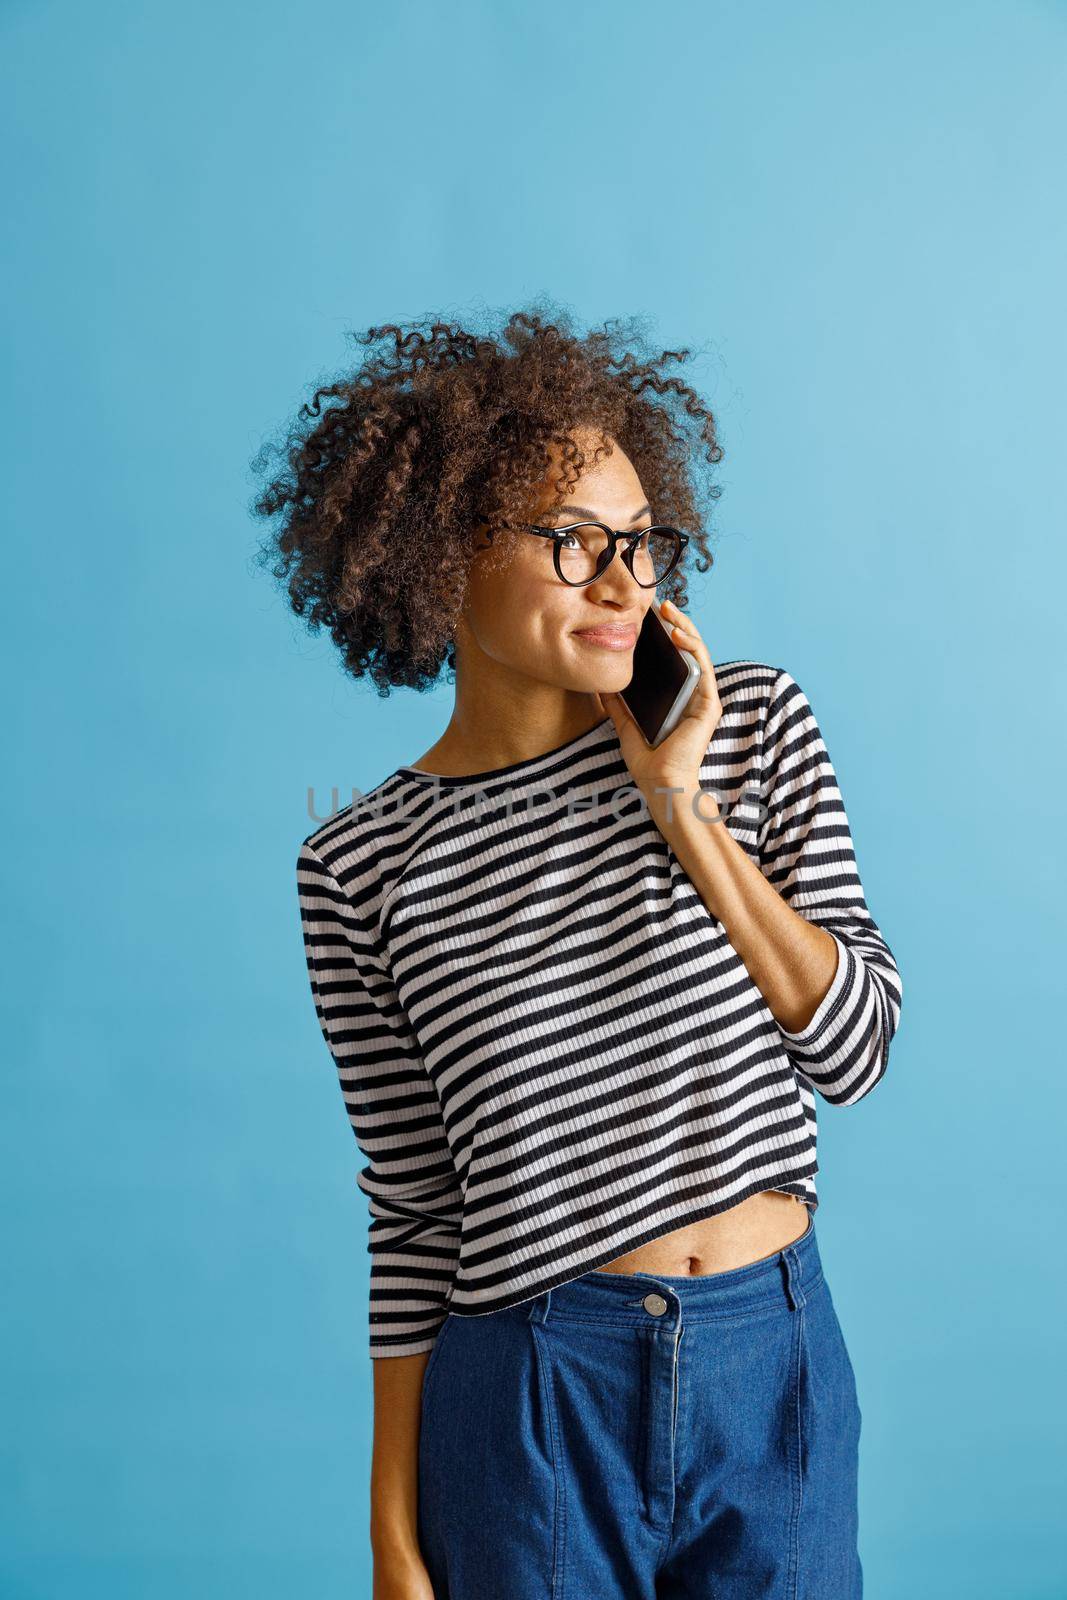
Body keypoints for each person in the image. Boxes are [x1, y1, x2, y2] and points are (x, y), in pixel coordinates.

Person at [253, 303, 903, 1599]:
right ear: (445, 556)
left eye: (643, 543)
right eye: (573, 542)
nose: (626, 583)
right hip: (532, 1386)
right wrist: (394, 1533)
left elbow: (856, 1049)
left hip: (769, 1359)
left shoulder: (753, 727)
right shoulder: (357, 864)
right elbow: (415, 1211)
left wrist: (682, 806)